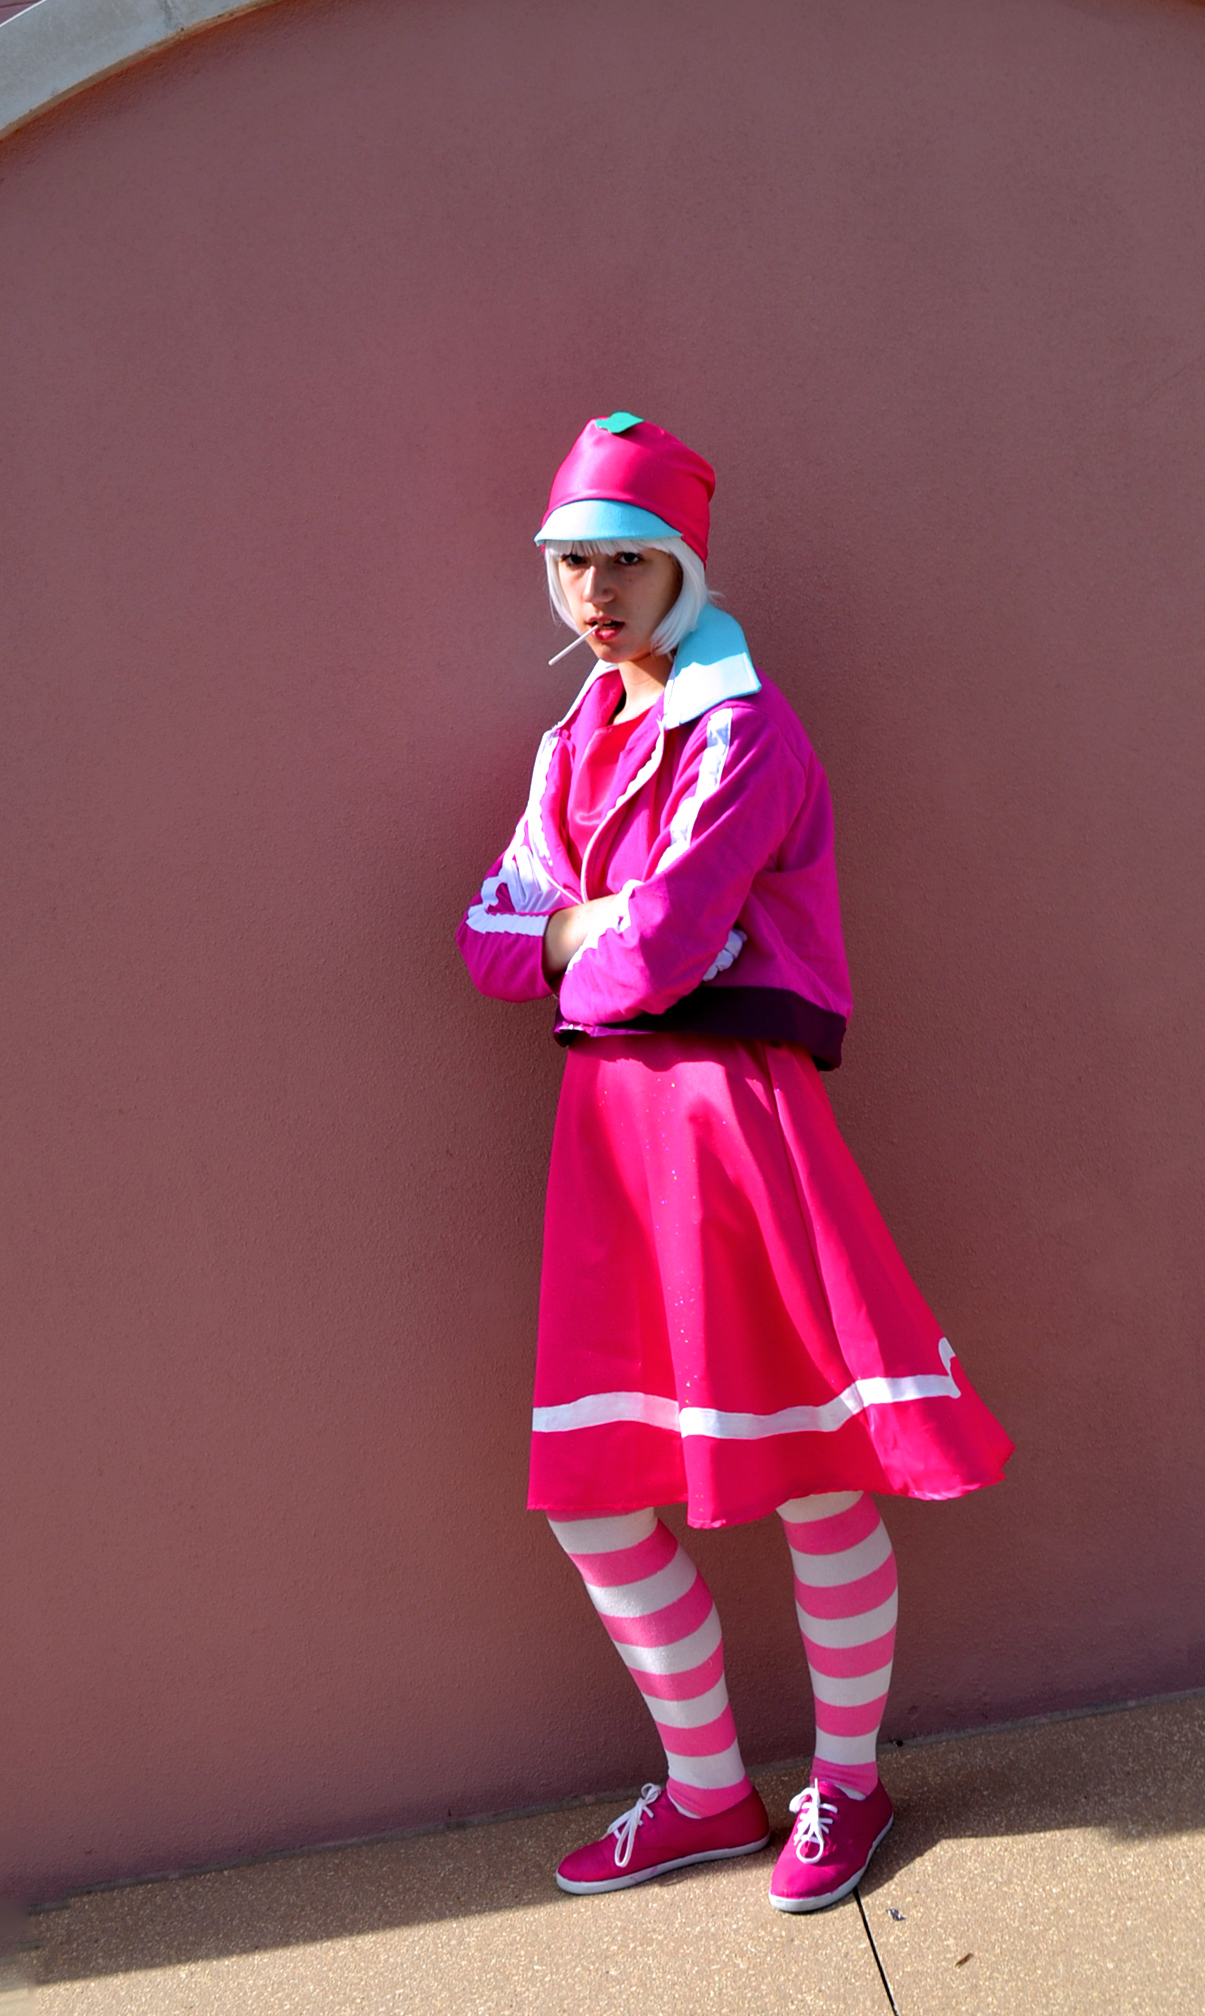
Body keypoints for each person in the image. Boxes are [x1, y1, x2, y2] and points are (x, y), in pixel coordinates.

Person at [456, 412, 1012, 1911]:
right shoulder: (571, 742)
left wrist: (576, 933)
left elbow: (660, 948)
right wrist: (587, 933)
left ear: (683, 567)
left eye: (626, 562)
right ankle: (707, 1792)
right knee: (596, 1493)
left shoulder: (747, 730)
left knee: (813, 1474)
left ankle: (849, 1782)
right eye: (572, 561)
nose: (595, 592)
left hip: (733, 1121)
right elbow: (489, 938)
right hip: (608, 1142)